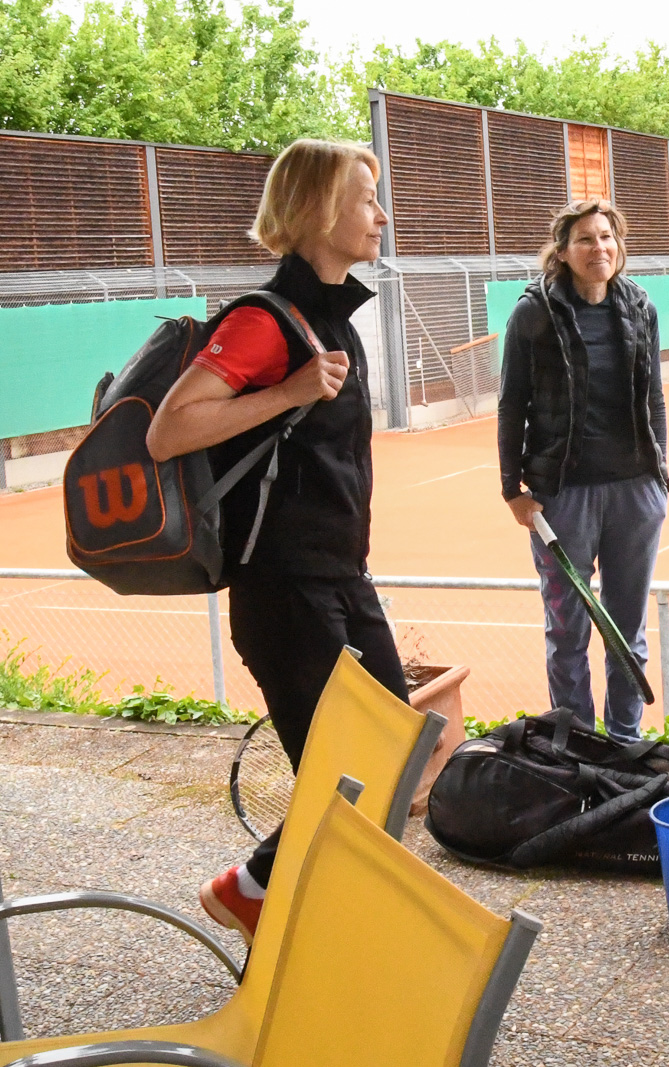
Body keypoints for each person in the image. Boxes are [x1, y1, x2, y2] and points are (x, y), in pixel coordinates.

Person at [146, 139, 406, 942]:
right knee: (345, 767)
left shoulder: (332, 319)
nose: (380, 214)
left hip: (337, 578)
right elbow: (169, 431)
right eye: (366, 198)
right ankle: (266, 898)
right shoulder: (265, 320)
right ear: (318, 210)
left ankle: (266, 892)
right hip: (282, 590)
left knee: (388, 745)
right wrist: (290, 390)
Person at [497, 199, 669, 742]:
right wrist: (513, 489)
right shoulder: (533, 314)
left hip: (634, 494)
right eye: (586, 240)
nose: (600, 248)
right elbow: (511, 404)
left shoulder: (640, 306)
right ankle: (578, 747)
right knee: (568, 632)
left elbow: (656, 398)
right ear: (564, 252)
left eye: (607, 237)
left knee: (626, 632)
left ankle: (623, 741)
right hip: (562, 497)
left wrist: (660, 476)